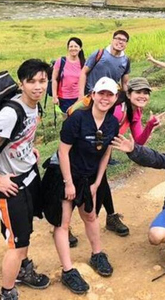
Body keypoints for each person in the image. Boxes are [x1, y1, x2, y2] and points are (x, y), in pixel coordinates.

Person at [0, 59, 52, 300]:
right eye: (32, 82)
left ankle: (23, 269)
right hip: (10, 186)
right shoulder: (10, 112)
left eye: (43, 81)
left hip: (28, 175)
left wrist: (30, 150)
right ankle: (6, 292)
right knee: (16, 243)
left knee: (25, 231)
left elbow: (24, 134)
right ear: (22, 84)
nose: (38, 87)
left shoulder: (35, 106)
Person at [52, 77, 120, 294]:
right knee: (63, 223)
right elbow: (63, 151)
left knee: (90, 216)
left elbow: (107, 151)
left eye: (110, 95)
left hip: (90, 177)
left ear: (115, 98)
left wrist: (97, 182)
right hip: (66, 174)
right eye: (101, 93)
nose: (105, 98)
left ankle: (97, 254)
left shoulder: (112, 122)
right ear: (92, 95)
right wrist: (68, 183)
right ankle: (68, 270)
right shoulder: (78, 119)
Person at [100, 77, 161, 237]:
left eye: (146, 93)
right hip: (91, 147)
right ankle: (62, 224)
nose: (143, 96)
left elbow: (138, 142)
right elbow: (101, 133)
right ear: (128, 93)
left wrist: (149, 125)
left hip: (103, 148)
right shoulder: (119, 110)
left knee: (101, 182)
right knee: (87, 185)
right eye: (138, 92)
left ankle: (111, 217)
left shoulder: (135, 110)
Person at [78, 30, 131, 98]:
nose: (120, 42)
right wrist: (81, 95)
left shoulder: (126, 60)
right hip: (90, 95)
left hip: (109, 98)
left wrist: (127, 99)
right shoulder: (100, 53)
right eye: (118, 38)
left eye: (124, 40)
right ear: (112, 40)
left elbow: (125, 83)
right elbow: (84, 72)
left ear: (126, 44)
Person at [52, 37, 85, 114]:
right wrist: (54, 96)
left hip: (78, 98)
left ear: (80, 48)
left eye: (76, 46)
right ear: (68, 48)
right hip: (63, 98)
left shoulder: (83, 63)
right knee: (66, 120)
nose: (73, 48)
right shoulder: (61, 61)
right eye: (71, 46)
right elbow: (54, 79)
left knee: (77, 120)